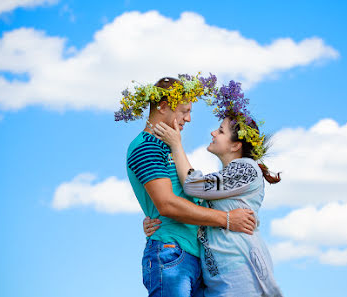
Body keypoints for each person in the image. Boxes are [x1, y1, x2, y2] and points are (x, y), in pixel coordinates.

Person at [115, 75, 257, 297]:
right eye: (184, 111)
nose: (189, 119)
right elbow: (167, 205)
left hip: (190, 256)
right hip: (171, 254)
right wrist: (227, 220)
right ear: (163, 107)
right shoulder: (146, 147)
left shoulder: (169, 147)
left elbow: (182, 195)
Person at [144, 79, 283, 296]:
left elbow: (193, 185)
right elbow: (194, 206)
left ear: (236, 145)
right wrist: (159, 222)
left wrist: (176, 145)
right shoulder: (223, 180)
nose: (213, 133)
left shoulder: (247, 169)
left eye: (220, 131)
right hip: (216, 276)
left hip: (239, 270)